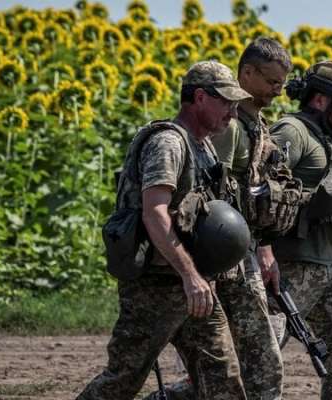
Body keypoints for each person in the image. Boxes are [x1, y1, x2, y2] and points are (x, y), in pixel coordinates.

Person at [77, 60, 251, 400]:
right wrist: (189, 275)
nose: (232, 112)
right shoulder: (169, 143)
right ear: (200, 97)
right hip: (156, 285)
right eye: (226, 102)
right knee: (122, 380)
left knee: (222, 377)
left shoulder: (204, 145)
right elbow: (154, 213)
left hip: (195, 285)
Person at [142, 37, 302, 400]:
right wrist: (204, 270)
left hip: (242, 252)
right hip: (222, 258)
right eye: (272, 82)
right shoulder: (226, 127)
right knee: (235, 363)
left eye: (281, 83)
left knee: (253, 360)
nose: (278, 90)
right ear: (247, 73)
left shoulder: (255, 123)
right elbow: (211, 200)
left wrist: (265, 248)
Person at [268, 60, 332, 400]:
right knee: (257, 362)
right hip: (288, 272)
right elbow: (261, 190)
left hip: (327, 270)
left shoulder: (327, 141)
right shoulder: (292, 132)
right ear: (319, 100)